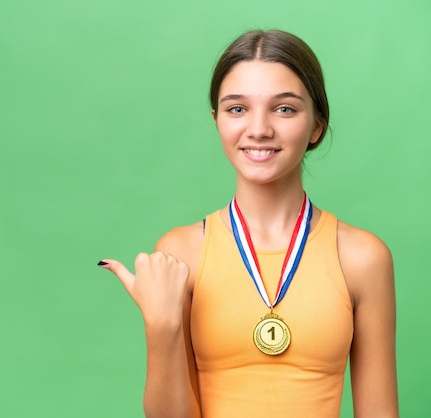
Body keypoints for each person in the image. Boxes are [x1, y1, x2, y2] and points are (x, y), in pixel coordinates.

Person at [98, 29, 398, 418]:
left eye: (284, 109)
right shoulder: (181, 252)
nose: (258, 129)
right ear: (217, 120)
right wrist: (161, 327)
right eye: (237, 109)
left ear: (317, 126)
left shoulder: (362, 257)